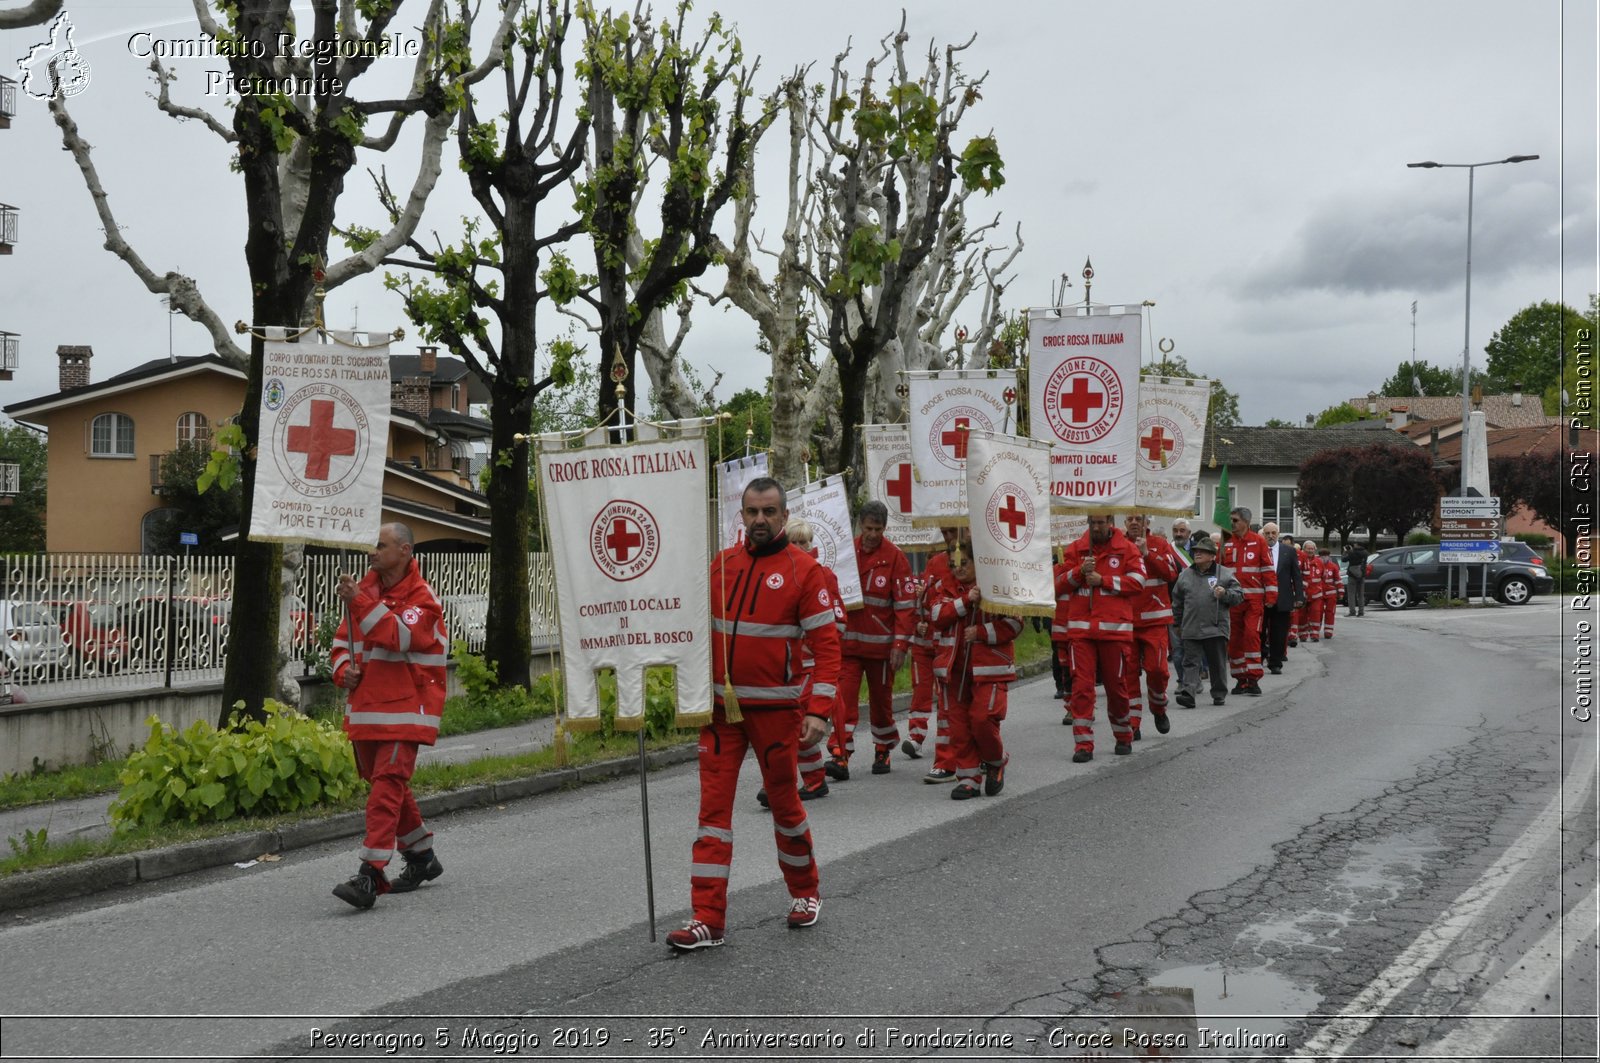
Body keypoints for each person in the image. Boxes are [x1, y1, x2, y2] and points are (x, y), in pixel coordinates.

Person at [672, 477, 841, 951]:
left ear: (784, 516)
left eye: (769, 511)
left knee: (786, 808)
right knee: (712, 815)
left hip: (776, 714)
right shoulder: (721, 565)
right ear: (741, 516)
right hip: (720, 714)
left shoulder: (805, 571)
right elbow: (688, 627)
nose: (760, 520)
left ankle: (805, 892)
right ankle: (708, 919)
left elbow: (828, 650)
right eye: (752, 512)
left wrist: (820, 712)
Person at [329, 522, 448, 910]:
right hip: (366, 708)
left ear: (406, 551)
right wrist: (342, 669)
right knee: (388, 785)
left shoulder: (423, 599)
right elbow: (342, 641)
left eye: (381, 546)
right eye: (372, 546)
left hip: (407, 709)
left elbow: (398, 635)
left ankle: (371, 873)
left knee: (387, 786)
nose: (372, 552)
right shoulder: (364, 592)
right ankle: (421, 857)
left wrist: (359, 602)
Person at [756, 519, 843, 807]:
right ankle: (814, 779)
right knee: (790, 725)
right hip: (785, 667)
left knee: (792, 726)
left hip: (810, 667)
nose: (802, 547)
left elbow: (839, 621)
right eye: (795, 542)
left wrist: (810, 637)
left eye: (806, 542)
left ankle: (783, 785)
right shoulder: (779, 575)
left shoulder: (822, 575)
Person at [827, 500, 914, 779]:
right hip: (848, 646)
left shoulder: (896, 558)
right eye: (868, 528)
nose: (872, 534)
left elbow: (905, 606)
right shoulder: (845, 553)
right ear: (860, 525)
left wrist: (900, 646)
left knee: (881, 704)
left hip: (881, 649)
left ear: (885, 528)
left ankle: (883, 748)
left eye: (878, 529)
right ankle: (840, 755)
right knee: (843, 703)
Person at [927, 547, 1021, 799]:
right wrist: (967, 600)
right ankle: (968, 778)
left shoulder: (998, 585)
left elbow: (1015, 623)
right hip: (953, 670)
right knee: (958, 727)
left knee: (982, 719)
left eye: (964, 562)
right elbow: (937, 614)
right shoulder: (944, 586)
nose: (958, 568)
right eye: (953, 563)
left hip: (989, 669)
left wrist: (981, 632)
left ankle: (995, 760)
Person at [1058, 512, 1147, 763]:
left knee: (1117, 688)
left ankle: (1123, 735)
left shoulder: (1127, 549)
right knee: (1081, 688)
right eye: (1092, 523)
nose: (1096, 527)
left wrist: (1104, 580)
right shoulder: (1075, 549)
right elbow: (1056, 583)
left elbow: (1138, 582)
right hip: (1080, 632)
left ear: (1111, 523)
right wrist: (1078, 573)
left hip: (1114, 632)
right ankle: (1083, 744)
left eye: (1101, 523)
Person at [905, 527, 961, 784]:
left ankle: (985, 755)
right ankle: (926, 745)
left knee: (974, 709)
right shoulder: (935, 564)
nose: (948, 538)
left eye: (953, 532)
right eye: (944, 532)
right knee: (931, 695)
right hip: (933, 645)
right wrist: (921, 620)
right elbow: (925, 602)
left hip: (964, 644)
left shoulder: (980, 557)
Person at [1123, 513, 1181, 740]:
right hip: (1125, 621)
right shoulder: (1118, 544)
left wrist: (1147, 554)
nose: (1134, 522)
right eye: (1130, 518)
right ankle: (1132, 722)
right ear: (1124, 522)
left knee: (1157, 670)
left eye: (1139, 518)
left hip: (1155, 620)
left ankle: (1158, 707)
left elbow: (1171, 574)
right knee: (1127, 675)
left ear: (1147, 521)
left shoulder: (1160, 544)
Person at [1170, 536, 1244, 706]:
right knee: (1189, 662)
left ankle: (1219, 693)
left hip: (1216, 627)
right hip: (1191, 626)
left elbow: (1239, 596)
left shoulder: (1224, 573)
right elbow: (1177, 601)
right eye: (1196, 551)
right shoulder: (1185, 575)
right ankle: (1188, 693)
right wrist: (1177, 623)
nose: (1197, 554)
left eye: (1202, 551)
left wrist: (1225, 594)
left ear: (1212, 556)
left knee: (1217, 663)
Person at [1221, 507, 1276, 696]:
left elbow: (1268, 570)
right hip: (1233, 601)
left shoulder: (1259, 541)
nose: (1232, 523)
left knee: (1251, 635)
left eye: (1235, 520)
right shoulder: (1227, 542)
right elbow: (1220, 571)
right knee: (1234, 640)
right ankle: (1240, 679)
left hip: (1254, 601)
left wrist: (1271, 596)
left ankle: (1253, 678)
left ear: (1245, 521)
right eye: (1231, 520)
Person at [1260, 523, 1303, 676]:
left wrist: (1299, 597)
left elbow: (1296, 575)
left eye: (1273, 533)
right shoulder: (1259, 549)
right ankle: (1261, 655)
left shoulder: (1289, 551)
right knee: (1259, 631)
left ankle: (1275, 662)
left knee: (1279, 634)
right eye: (1267, 533)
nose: (1270, 536)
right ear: (1263, 535)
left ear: (1278, 533)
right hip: (1261, 598)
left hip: (1283, 598)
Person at [1297, 539, 1324, 644]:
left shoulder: (1319, 562)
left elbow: (1323, 576)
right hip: (1303, 594)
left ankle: (1314, 635)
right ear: (1303, 549)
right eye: (1308, 548)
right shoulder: (1299, 560)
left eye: (1312, 549)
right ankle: (1303, 635)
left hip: (1316, 595)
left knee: (1316, 615)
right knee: (1302, 616)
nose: (1310, 551)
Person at [1317, 549, 1341, 638]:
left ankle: (1328, 631)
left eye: (1326, 555)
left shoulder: (1333, 566)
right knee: (1317, 612)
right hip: (1319, 593)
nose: (1324, 557)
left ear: (1329, 556)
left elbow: (1338, 579)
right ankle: (1316, 630)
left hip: (1331, 594)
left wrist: (1341, 591)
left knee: (1330, 612)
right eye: (1322, 555)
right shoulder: (1315, 565)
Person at [1345, 542, 1369, 616]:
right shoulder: (1366, 553)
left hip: (1352, 575)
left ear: (1357, 545)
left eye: (1355, 544)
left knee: (1351, 594)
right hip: (1361, 575)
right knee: (1361, 595)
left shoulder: (1352, 552)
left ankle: (1352, 611)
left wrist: (1346, 551)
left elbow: (1343, 559)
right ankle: (1361, 612)